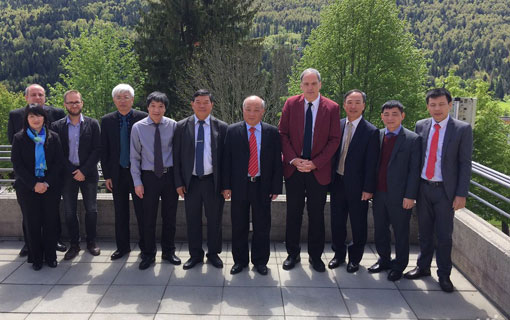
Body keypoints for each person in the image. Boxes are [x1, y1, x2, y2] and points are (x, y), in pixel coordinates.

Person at [404, 88, 473, 293]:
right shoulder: (421, 125)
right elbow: (416, 159)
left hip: (446, 192)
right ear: (427, 106)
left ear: (450, 105)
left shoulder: (462, 129)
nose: (437, 109)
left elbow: (465, 163)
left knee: (444, 236)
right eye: (432, 105)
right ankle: (423, 267)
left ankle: (444, 275)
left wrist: (461, 193)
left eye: (441, 104)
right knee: (424, 233)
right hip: (423, 188)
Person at [278, 68, 341, 272]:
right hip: (294, 170)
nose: (310, 87)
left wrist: (315, 163)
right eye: (306, 84)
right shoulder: (290, 104)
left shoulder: (331, 108)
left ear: (320, 85)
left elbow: (334, 140)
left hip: (318, 171)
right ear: (301, 86)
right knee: (293, 214)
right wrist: (294, 160)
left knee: (317, 215)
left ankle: (315, 257)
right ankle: (292, 254)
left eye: (314, 84)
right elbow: (283, 133)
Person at [222, 96, 283, 276]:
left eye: (256, 109)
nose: (252, 113)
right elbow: (226, 160)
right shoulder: (232, 131)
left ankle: (260, 261)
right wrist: (226, 186)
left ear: (263, 111)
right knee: (238, 224)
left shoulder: (272, 132)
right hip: (239, 186)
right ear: (243, 110)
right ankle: (239, 261)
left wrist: (276, 187)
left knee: (262, 225)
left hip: (262, 186)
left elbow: (276, 163)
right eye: (248, 109)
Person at [8, 84, 67, 257]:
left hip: (50, 178)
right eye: (33, 94)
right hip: (27, 179)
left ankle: (54, 241)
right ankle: (30, 245)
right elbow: (14, 146)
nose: (37, 97)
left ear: (45, 97)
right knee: (29, 215)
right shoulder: (15, 115)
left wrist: (47, 180)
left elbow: (59, 149)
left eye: (41, 94)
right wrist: (32, 182)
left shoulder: (57, 114)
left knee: (52, 213)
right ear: (26, 97)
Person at [173, 89, 228, 270]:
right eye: (198, 102)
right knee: (192, 219)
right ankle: (195, 254)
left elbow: (227, 159)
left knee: (215, 220)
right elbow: (176, 157)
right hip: (191, 182)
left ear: (212, 105)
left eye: (206, 102)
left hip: (214, 181)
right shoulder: (181, 127)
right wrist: (179, 182)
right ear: (192, 104)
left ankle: (213, 254)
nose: (202, 105)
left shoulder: (222, 127)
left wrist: (226, 185)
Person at [368, 100, 421, 281]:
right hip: (379, 192)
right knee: (380, 229)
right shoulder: (377, 135)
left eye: (395, 114)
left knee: (400, 231)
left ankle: (399, 265)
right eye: (387, 114)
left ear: (402, 116)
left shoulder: (413, 139)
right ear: (382, 117)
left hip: (400, 196)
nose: (390, 118)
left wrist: (410, 196)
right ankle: (384, 259)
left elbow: (415, 170)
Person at [328, 89, 379, 273]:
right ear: (344, 105)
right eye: (350, 102)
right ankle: (338, 254)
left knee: (358, 224)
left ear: (364, 105)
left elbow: (372, 163)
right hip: (337, 182)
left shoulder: (371, 131)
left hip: (359, 187)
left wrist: (368, 188)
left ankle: (355, 258)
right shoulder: (337, 125)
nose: (353, 106)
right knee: (337, 222)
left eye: (357, 102)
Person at [130, 92, 181, 270]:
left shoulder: (173, 125)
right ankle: (148, 254)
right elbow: (134, 157)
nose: (157, 110)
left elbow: (178, 154)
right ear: (147, 107)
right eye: (153, 106)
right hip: (148, 177)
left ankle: (169, 251)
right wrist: (137, 181)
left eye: (160, 106)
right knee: (147, 218)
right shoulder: (138, 127)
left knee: (170, 217)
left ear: (165, 108)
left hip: (169, 176)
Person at [51, 90, 101, 260]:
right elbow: (57, 154)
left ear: (82, 103)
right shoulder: (57, 126)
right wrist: (74, 171)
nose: (74, 105)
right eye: (70, 102)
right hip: (67, 175)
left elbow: (97, 150)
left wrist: (84, 171)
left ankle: (91, 242)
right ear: (65, 104)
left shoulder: (93, 124)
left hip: (89, 174)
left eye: (77, 102)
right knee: (70, 212)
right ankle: (74, 244)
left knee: (92, 210)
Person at [100, 84, 147, 260]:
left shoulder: (143, 118)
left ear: (132, 99)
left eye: (126, 97)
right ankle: (122, 247)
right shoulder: (106, 120)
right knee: (120, 213)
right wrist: (107, 175)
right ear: (114, 100)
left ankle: (145, 247)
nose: (122, 100)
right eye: (119, 97)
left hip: (139, 174)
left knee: (142, 212)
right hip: (117, 173)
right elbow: (104, 149)